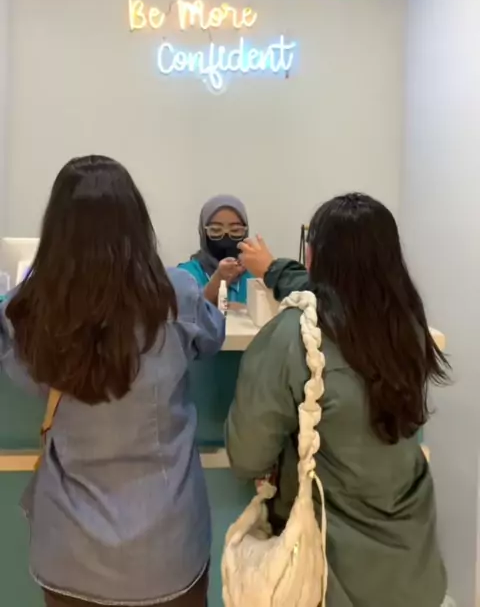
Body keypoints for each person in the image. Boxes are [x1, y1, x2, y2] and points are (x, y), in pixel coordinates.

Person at [0, 155, 225, 607]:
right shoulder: (176, 294)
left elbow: (22, 368)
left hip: (71, 554)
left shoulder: (28, 308)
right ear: (136, 223)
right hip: (168, 552)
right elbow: (212, 335)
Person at [227, 193, 449, 607]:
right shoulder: (409, 329)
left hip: (332, 575)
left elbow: (247, 455)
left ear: (312, 256)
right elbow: (339, 296)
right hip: (414, 572)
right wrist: (274, 269)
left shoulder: (291, 337)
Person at [178, 195, 252, 306]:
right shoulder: (186, 275)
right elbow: (188, 313)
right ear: (203, 233)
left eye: (235, 230)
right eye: (216, 230)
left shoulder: (255, 275)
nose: (226, 237)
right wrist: (218, 281)